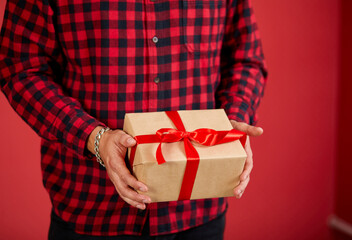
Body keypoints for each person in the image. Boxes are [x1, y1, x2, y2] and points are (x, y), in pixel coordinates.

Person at [0, 0, 267, 239]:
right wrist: (95, 138)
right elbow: (20, 68)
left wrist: (231, 126)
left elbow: (245, 58)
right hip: (92, 207)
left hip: (199, 209)